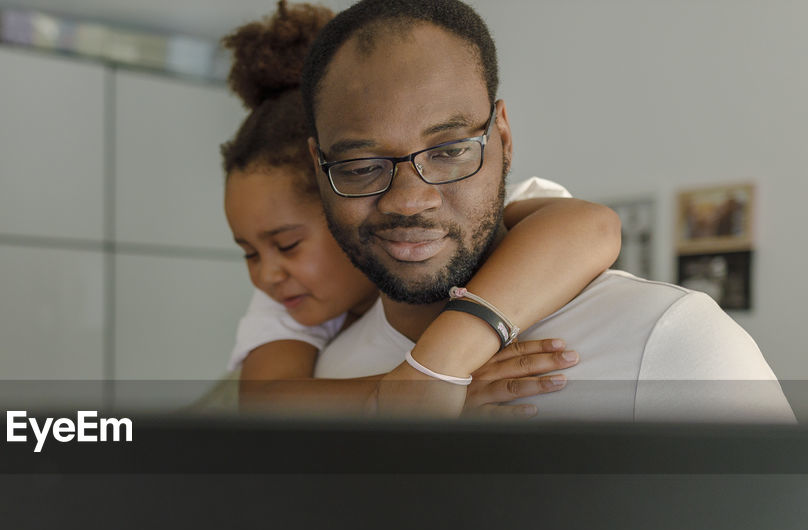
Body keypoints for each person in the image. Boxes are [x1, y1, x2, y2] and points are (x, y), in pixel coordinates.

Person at [300, 0, 792, 421]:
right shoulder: (333, 371)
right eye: (360, 165)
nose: (409, 200)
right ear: (317, 167)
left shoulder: (671, 342)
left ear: (504, 139)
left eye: (450, 151)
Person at [220, 1, 622, 417]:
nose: (266, 275)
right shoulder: (286, 301)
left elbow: (592, 226)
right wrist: (414, 391)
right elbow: (266, 401)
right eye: (248, 253)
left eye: (287, 244)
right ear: (330, 191)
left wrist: (440, 365)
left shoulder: (468, 213)